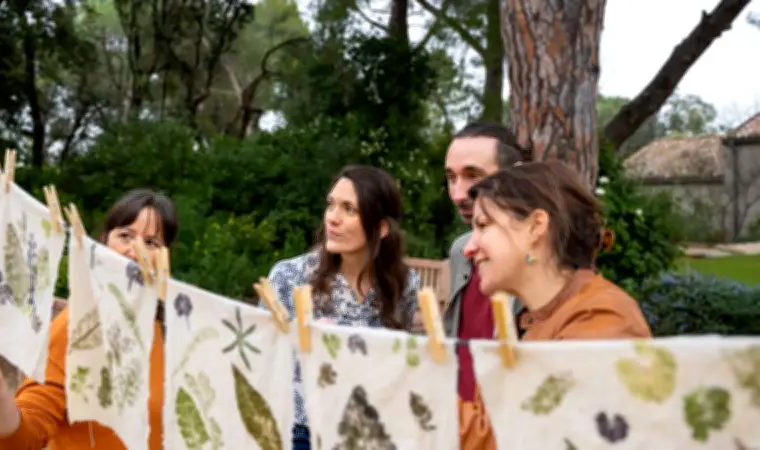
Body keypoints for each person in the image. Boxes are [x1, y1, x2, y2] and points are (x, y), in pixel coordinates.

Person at [0, 189, 179, 450]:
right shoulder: (76, 328)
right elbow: (18, 440)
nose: (135, 251)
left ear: (165, 260)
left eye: (152, 243)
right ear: (103, 244)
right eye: (125, 235)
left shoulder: (168, 333)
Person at [261, 165, 420, 450]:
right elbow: (261, 358)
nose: (332, 218)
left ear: (381, 227)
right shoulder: (290, 277)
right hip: (300, 428)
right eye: (331, 205)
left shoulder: (404, 285)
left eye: (349, 209)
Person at [463, 161, 651, 341]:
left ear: (535, 226)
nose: (468, 249)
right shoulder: (531, 321)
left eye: (483, 225)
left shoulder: (599, 319)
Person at [442, 122, 528, 450]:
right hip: (459, 426)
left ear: (516, 175)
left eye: (473, 175)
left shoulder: (549, 258)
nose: (458, 194)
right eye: (451, 177)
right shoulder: (460, 251)